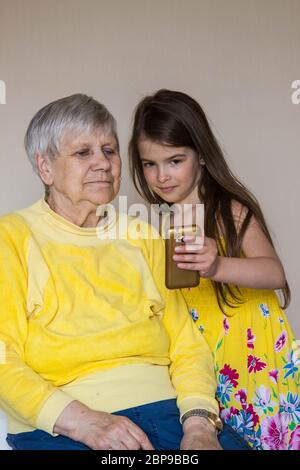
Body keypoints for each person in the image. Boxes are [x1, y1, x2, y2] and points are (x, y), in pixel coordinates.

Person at [0, 93, 251, 451]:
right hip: (64, 423)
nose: (102, 163)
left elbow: (186, 345)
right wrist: (85, 422)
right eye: (83, 152)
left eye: (109, 150)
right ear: (45, 168)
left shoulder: (143, 236)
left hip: (170, 413)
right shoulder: (10, 238)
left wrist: (199, 424)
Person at [128, 89, 300, 451]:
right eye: (149, 164)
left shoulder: (228, 210)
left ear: (201, 155)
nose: (161, 176)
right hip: (206, 365)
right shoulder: (161, 222)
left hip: (254, 359)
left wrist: (218, 264)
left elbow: (274, 273)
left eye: (175, 160)